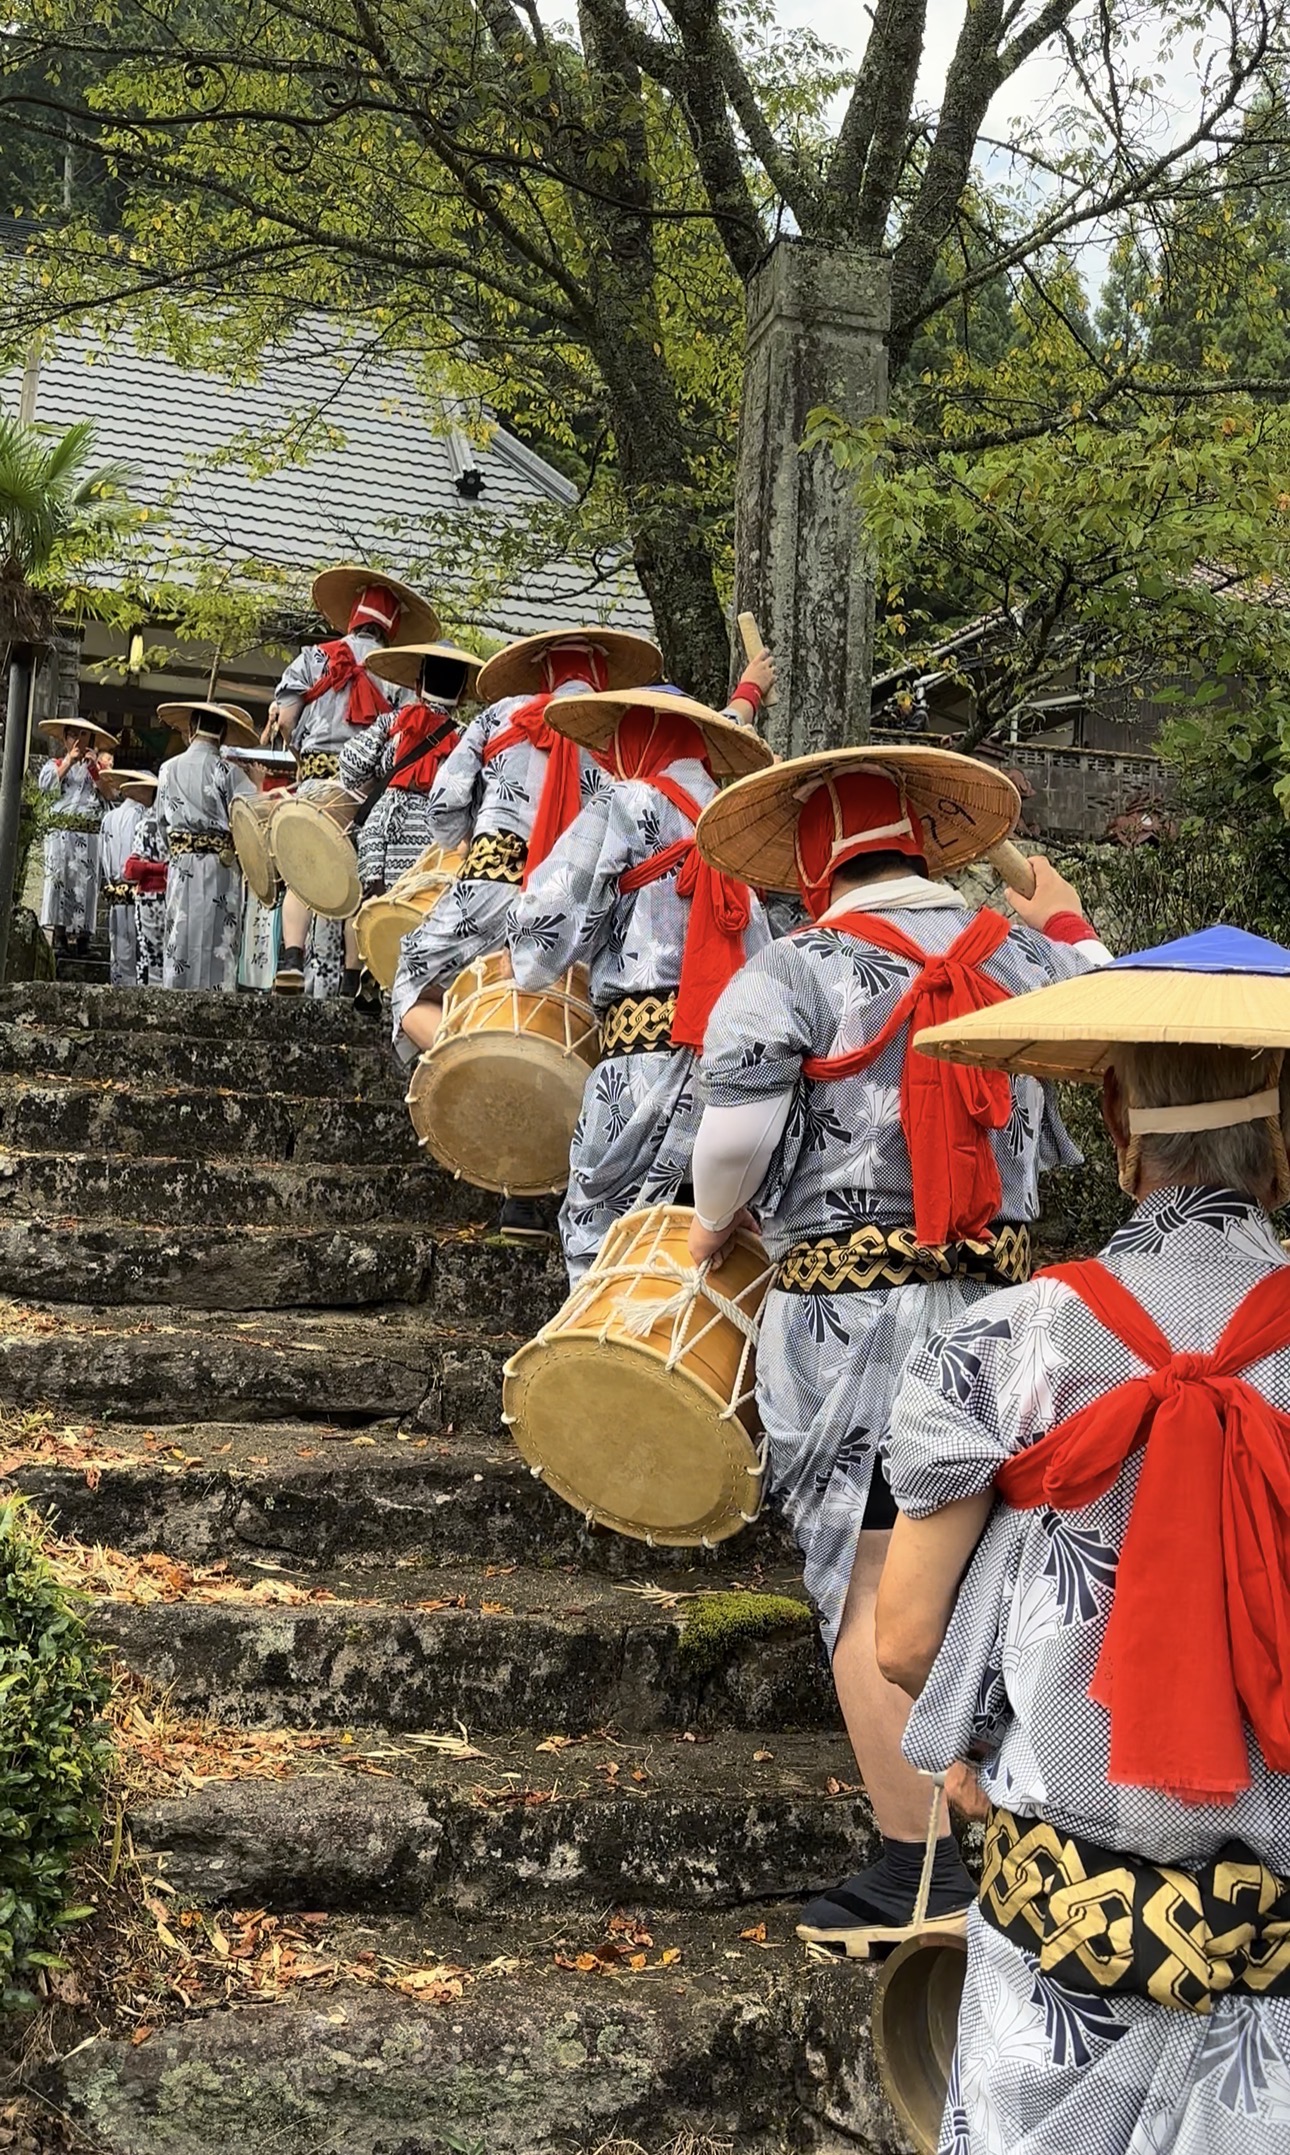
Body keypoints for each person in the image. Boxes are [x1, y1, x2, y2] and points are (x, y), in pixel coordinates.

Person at [687, 746, 1111, 1960]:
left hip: (856, 1323)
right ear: (925, 844)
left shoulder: (795, 967)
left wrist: (714, 1231)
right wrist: (1054, 905)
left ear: (817, 861)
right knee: (1002, 1570)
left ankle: (916, 1858)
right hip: (1017, 1316)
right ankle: (1028, 1819)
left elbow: (732, 1142)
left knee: (873, 1579)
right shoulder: (1015, 955)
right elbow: (1099, 986)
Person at [877, 924, 1290, 2155]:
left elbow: (903, 1638)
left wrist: (968, 1753)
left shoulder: (1005, 1344)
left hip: (1062, 1920)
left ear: (1115, 1125)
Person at [391, 625, 660, 1239]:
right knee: (586, 1030)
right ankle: (549, 1173)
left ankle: (473, 1081)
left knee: (409, 979)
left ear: (539, 670)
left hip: (488, 888)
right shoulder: (616, 731)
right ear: (601, 675)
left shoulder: (498, 715)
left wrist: (471, 832)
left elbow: (444, 807)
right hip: (578, 908)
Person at [509, 677, 775, 1281]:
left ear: (638, 739)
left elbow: (543, 934)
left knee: (600, 1236)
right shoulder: (733, 826)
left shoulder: (624, 803)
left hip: (642, 1061)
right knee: (708, 1249)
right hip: (739, 1071)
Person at [267, 565, 437, 994]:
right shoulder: (396, 672)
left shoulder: (313, 657)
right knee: (358, 883)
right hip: (366, 793)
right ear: (391, 628)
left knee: (304, 871)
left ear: (354, 616)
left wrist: (300, 750)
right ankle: (349, 978)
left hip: (314, 783)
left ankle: (292, 958)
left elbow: (285, 718)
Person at [153, 701, 259, 991]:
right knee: (218, 937)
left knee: (181, 931)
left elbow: (162, 823)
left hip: (182, 862)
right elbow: (252, 819)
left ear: (190, 729)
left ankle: (175, 990)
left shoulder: (166, 770)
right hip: (220, 864)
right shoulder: (230, 772)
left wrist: (178, 850)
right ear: (223, 734)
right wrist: (258, 783)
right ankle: (219, 996)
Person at [37, 720, 118, 956]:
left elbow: (111, 793)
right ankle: (59, 936)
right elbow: (45, 788)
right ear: (65, 739)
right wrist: (69, 762)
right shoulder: (55, 764)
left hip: (89, 833)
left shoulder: (99, 769)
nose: (78, 741)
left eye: (84, 736)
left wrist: (94, 769)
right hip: (62, 833)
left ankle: (84, 938)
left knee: (87, 885)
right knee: (60, 881)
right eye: (73, 735)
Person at [97, 769, 158, 987]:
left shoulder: (109, 818)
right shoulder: (143, 819)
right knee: (137, 952)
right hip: (137, 890)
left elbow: (103, 857)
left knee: (119, 949)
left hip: (116, 889)